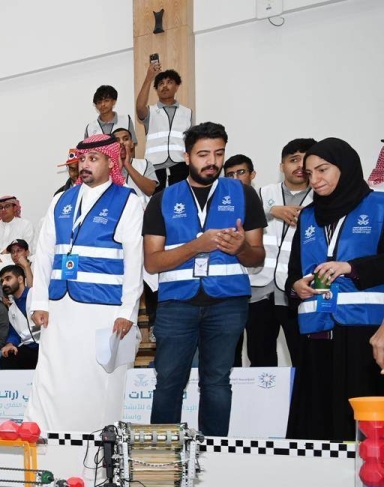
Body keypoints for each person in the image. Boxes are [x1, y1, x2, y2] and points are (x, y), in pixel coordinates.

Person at [143, 122, 266, 437]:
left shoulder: (244, 194)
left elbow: (258, 256)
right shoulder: (162, 199)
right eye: (203, 154)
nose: (212, 161)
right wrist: (197, 245)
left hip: (228, 303)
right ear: (187, 157)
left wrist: (241, 249)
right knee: (168, 381)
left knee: (217, 382)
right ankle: (165, 455)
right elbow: (152, 262)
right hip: (176, 304)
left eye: (218, 153)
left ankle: (214, 454)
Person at [26, 135, 144, 432]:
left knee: (95, 380)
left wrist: (127, 311)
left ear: (111, 162)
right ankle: (48, 439)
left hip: (103, 308)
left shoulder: (127, 201)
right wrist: (39, 301)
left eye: (93, 159)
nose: (85, 165)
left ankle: (95, 447)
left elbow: (134, 260)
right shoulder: (61, 200)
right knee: (52, 376)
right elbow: (44, 254)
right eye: (82, 159)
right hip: (59, 307)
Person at [288, 138, 384, 441]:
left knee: (360, 425)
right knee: (317, 423)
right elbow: (293, 272)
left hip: (364, 332)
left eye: (323, 170)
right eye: (309, 173)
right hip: (316, 333)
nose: (315, 180)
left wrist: (351, 267)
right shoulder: (307, 215)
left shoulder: (380, 206)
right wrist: (296, 286)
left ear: (345, 167)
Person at [250, 138, 316, 367]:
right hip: (260, 290)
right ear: (282, 165)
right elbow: (240, 222)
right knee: (260, 359)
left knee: (303, 358)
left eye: (305, 160)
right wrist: (270, 211)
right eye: (293, 159)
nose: (299, 165)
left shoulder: (320, 197)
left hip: (296, 290)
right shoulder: (262, 193)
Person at [136, 65, 193, 189]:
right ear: (156, 89)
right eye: (161, 83)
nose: (165, 86)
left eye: (169, 82)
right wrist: (148, 78)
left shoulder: (187, 112)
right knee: (158, 200)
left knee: (180, 200)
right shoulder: (150, 111)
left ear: (177, 87)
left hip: (181, 166)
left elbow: (192, 142)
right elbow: (139, 108)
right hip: (154, 168)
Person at [0, 264, 39, 370]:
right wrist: (10, 344)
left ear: (20, 279)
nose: (4, 283)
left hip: (46, 345)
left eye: (8, 279)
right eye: (2, 281)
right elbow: (14, 333)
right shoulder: (11, 308)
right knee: (7, 359)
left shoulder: (36, 296)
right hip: (28, 348)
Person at [0, 196, 36, 262]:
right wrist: (3, 252)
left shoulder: (25, 225)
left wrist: (2, 258)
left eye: (7, 206)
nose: (3, 210)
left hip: (17, 264)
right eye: (0, 207)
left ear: (15, 208)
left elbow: (27, 251)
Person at [114, 127, 158, 201]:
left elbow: (150, 190)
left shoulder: (145, 164)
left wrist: (128, 165)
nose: (121, 143)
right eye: (117, 140)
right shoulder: (107, 166)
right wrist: (118, 169)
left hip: (142, 208)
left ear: (132, 144)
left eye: (126, 139)